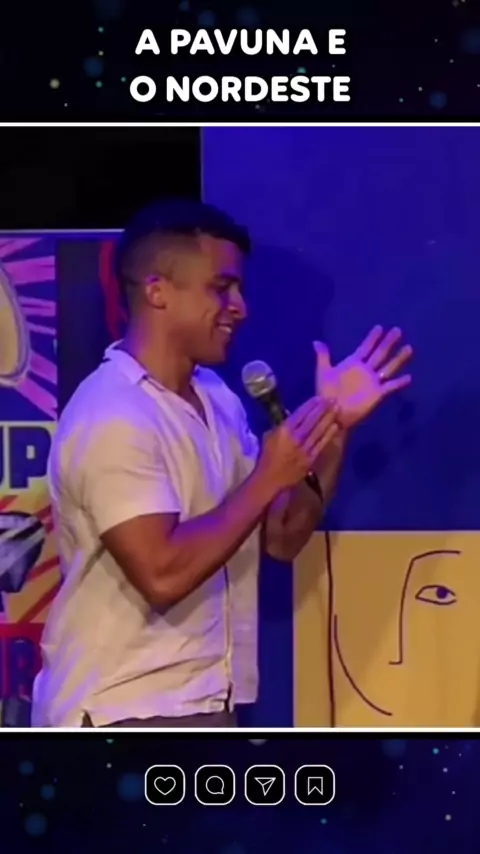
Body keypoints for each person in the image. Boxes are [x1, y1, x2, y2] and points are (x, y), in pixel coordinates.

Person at [32, 199, 413, 727]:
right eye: (222, 288)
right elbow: (162, 574)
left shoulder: (216, 397)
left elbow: (282, 536)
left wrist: (333, 428)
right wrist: (266, 478)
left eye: (239, 289)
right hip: (124, 712)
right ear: (157, 291)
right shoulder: (114, 414)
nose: (241, 307)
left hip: (209, 704)